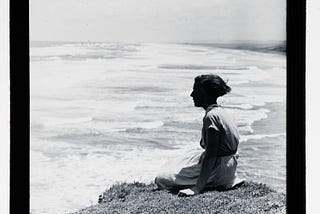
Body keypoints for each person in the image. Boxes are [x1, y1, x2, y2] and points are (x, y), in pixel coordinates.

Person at [155, 74, 244, 196]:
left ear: (207, 94)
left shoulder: (211, 117)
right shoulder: (222, 111)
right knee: (180, 160)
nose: (192, 95)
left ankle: (211, 182)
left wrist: (197, 188)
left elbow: (211, 155)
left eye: (196, 91)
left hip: (220, 171)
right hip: (228, 167)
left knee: (162, 179)